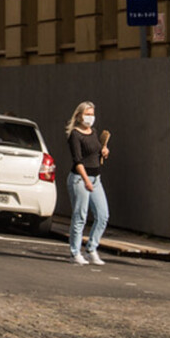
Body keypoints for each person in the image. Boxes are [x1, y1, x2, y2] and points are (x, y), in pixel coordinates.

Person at [65, 101, 110, 265]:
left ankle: (92, 248)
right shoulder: (75, 135)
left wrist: (104, 151)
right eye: (87, 114)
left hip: (96, 179)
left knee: (103, 215)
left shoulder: (94, 132)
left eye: (92, 114)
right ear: (79, 115)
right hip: (79, 179)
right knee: (80, 216)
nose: (90, 117)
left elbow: (95, 151)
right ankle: (75, 253)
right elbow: (78, 160)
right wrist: (85, 180)